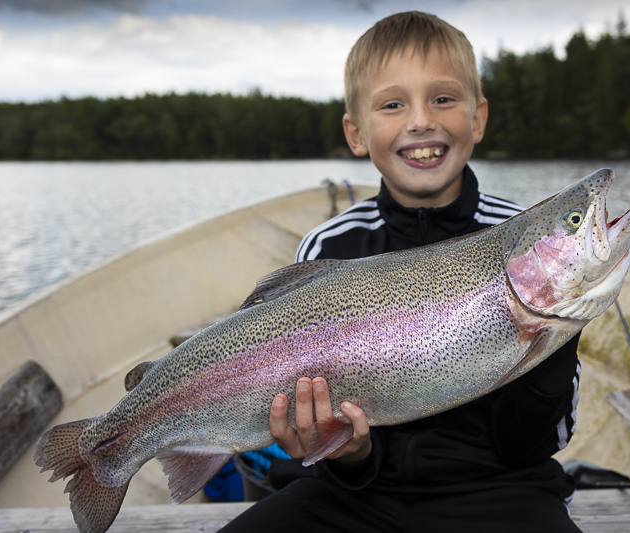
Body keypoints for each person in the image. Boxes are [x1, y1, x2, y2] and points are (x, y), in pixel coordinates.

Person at [218, 11, 582, 533]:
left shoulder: (526, 239)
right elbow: (318, 448)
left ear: (477, 119)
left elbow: (544, 439)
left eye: (442, 98)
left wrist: (548, 339)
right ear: (356, 132)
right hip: (354, 493)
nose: (420, 121)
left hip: (501, 488)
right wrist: (346, 450)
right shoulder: (329, 247)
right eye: (393, 104)